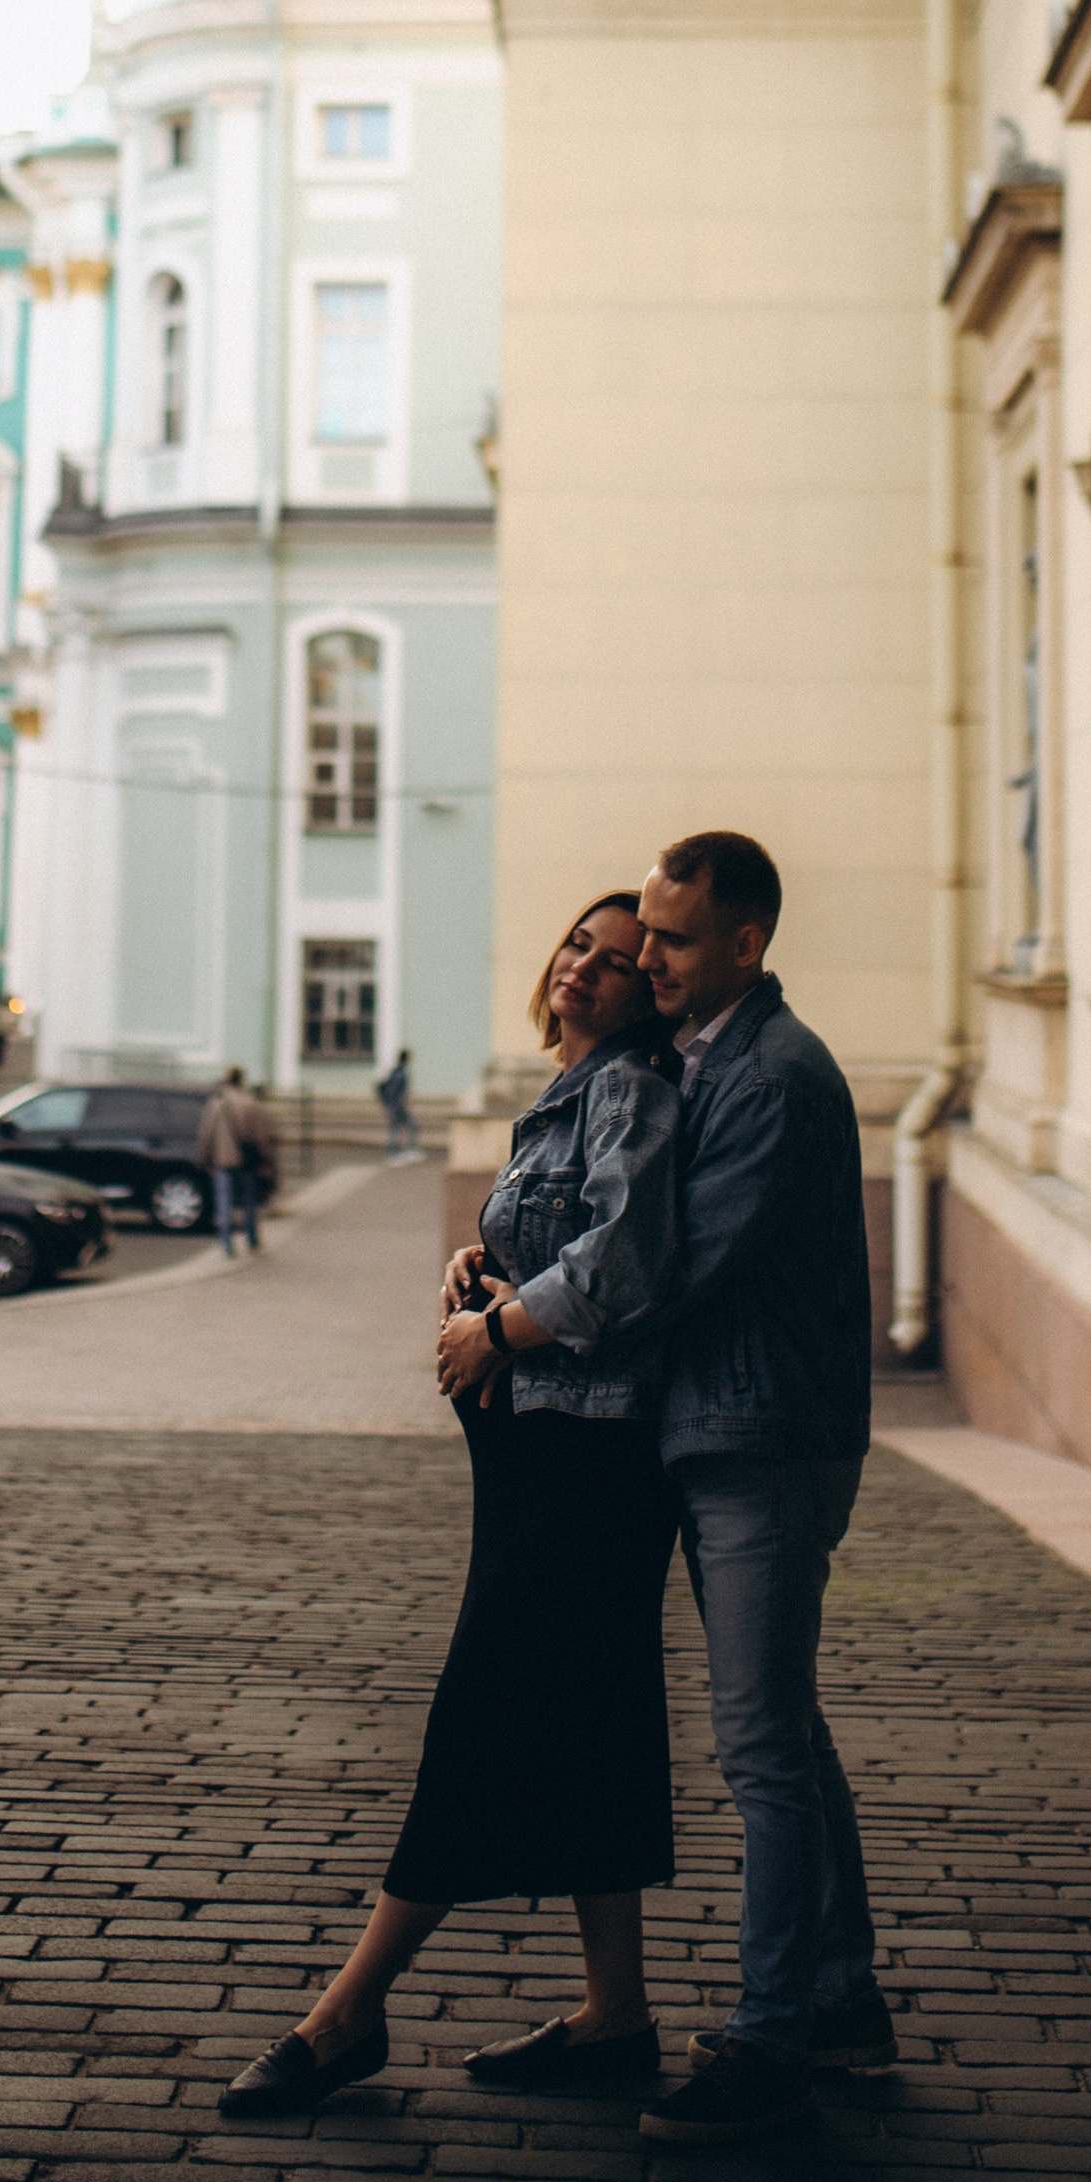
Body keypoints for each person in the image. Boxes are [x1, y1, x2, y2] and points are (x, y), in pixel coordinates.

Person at [219, 895, 682, 2117]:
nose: (586, 967)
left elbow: (629, 1264)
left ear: (651, 993)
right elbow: (564, 1243)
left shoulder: (629, 1087)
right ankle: (616, 2013)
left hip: (584, 1462)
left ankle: (349, 2012)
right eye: (579, 944)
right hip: (542, 1455)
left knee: (483, 1714)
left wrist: (497, 1329)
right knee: (594, 1716)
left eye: (621, 962)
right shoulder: (567, 1095)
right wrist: (474, 1275)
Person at [627, 830, 886, 2146]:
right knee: (785, 1728)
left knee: (759, 1748)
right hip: (737, 1430)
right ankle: (840, 1998)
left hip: (766, 1441)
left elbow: (680, 1268)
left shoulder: (774, 1079)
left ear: (747, 942)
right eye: (649, 930)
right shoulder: (711, 1058)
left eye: (674, 937)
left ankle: (774, 2034)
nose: (648, 954)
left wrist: (526, 1324)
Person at [196, 1067, 273, 1257]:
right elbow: (259, 1135)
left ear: (226, 1081)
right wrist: (264, 1160)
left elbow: (207, 1135)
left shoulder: (217, 1104)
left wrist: (206, 1160)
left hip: (223, 1160)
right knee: (249, 1202)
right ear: (241, 1081)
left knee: (224, 1203)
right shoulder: (251, 1103)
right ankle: (252, 1239)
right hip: (247, 1161)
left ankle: (227, 1244)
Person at [376, 1044, 419, 1162]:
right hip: (397, 1107)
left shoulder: (397, 1071)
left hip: (395, 1106)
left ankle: (401, 1151)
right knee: (402, 1127)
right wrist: (396, 1105)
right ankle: (396, 1154)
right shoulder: (400, 1074)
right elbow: (396, 1091)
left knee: (405, 1126)